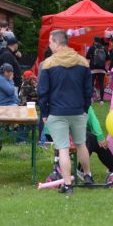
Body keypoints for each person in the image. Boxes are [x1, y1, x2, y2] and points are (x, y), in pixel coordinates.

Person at [37, 29, 94, 193]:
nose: (49, 45)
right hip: (78, 111)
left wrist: (45, 113)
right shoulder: (83, 62)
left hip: (56, 112)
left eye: (50, 42)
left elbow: (43, 91)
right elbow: (88, 91)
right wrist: (85, 109)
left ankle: (67, 184)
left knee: (63, 148)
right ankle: (88, 176)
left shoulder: (47, 64)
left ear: (56, 43)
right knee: (81, 144)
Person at [85, 36, 109, 101]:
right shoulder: (104, 48)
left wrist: (92, 58)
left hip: (93, 69)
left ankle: (91, 99)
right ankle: (101, 100)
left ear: (94, 40)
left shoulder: (92, 47)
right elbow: (108, 57)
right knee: (101, 84)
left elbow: (87, 56)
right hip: (102, 69)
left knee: (91, 84)